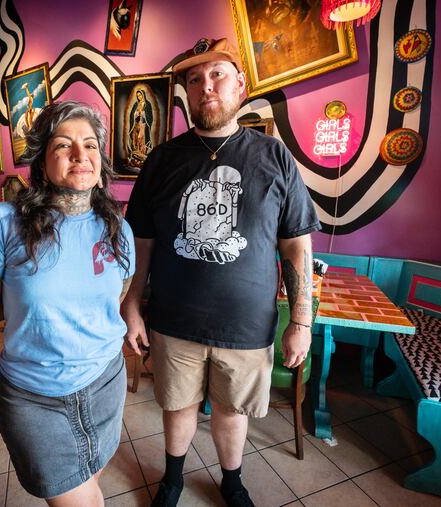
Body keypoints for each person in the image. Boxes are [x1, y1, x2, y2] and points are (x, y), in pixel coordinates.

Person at [122, 38, 320, 507]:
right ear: (185, 93)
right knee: (176, 407)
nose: (205, 87)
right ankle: (173, 479)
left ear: (240, 84)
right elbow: (142, 244)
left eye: (216, 75)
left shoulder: (274, 157)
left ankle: (232, 482)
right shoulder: (162, 159)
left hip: (247, 326)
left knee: (233, 411)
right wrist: (130, 305)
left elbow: (297, 246)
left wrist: (302, 320)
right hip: (173, 320)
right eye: (194, 79)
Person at [0, 100, 135, 506]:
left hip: (105, 382)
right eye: (64, 146)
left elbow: (113, 302)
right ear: (42, 162)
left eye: (90, 145)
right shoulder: (1, 222)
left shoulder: (119, 229)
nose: (80, 155)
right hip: (35, 398)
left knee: (88, 483)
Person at [128, 88, 154, 164]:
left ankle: (142, 159)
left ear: (143, 95)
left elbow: (150, 117)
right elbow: (131, 114)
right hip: (136, 125)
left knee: (141, 140)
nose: (139, 97)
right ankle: (135, 158)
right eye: (137, 96)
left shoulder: (147, 104)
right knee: (135, 140)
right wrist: (135, 114)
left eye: (140, 95)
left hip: (143, 125)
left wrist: (142, 113)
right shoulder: (136, 104)